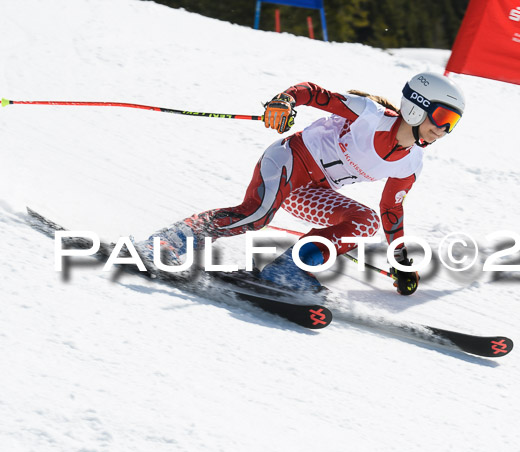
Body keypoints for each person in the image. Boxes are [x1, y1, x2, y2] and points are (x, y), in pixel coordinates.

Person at [138, 71, 465, 295]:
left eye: (452, 125)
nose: (443, 131)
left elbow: (391, 212)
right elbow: (313, 93)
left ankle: (286, 270)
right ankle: (171, 240)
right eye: (441, 119)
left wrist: (400, 261)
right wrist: (284, 101)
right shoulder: (369, 114)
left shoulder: (411, 162)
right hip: (288, 160)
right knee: (256, 214)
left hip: (313, 192)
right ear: (416, 107)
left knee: (364, 223)